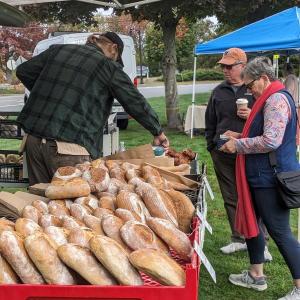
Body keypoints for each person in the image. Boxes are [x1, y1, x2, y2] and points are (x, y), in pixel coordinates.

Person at [16, 32, 169, 185]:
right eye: (116, 58)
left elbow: (23, 70)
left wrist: (47, 92)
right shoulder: (108, 67)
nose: (114, 61)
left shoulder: (58, 50)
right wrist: (157, 131)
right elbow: (134, 101)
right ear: (113, 48)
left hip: (33, 140)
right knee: (73, 205)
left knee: (40, 202)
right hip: (70, 147)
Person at [221, 56, 300, 299]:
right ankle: (256, 276)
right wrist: (241, 134)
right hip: (261, 176)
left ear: (264, 79)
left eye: (251, 85)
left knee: (279, 231)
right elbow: (265, 132)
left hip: (271, 178)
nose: (249, 91)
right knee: (253, 226)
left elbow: (271, 140)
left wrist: (239, 145)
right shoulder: (270, 96)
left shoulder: (275, 99)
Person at [205, 48, 266, 255]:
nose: (225, 70)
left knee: (255, 195)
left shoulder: (256, 89)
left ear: (243, 66)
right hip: (222, 152)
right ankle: (238, 237)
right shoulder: (218, 91)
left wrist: (251, 115)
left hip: (250, 151)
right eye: (223, 66)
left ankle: (261, 240)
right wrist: (211, 146)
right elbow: (210, 121)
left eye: (229, 66)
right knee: (231, 196)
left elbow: (270, 123)